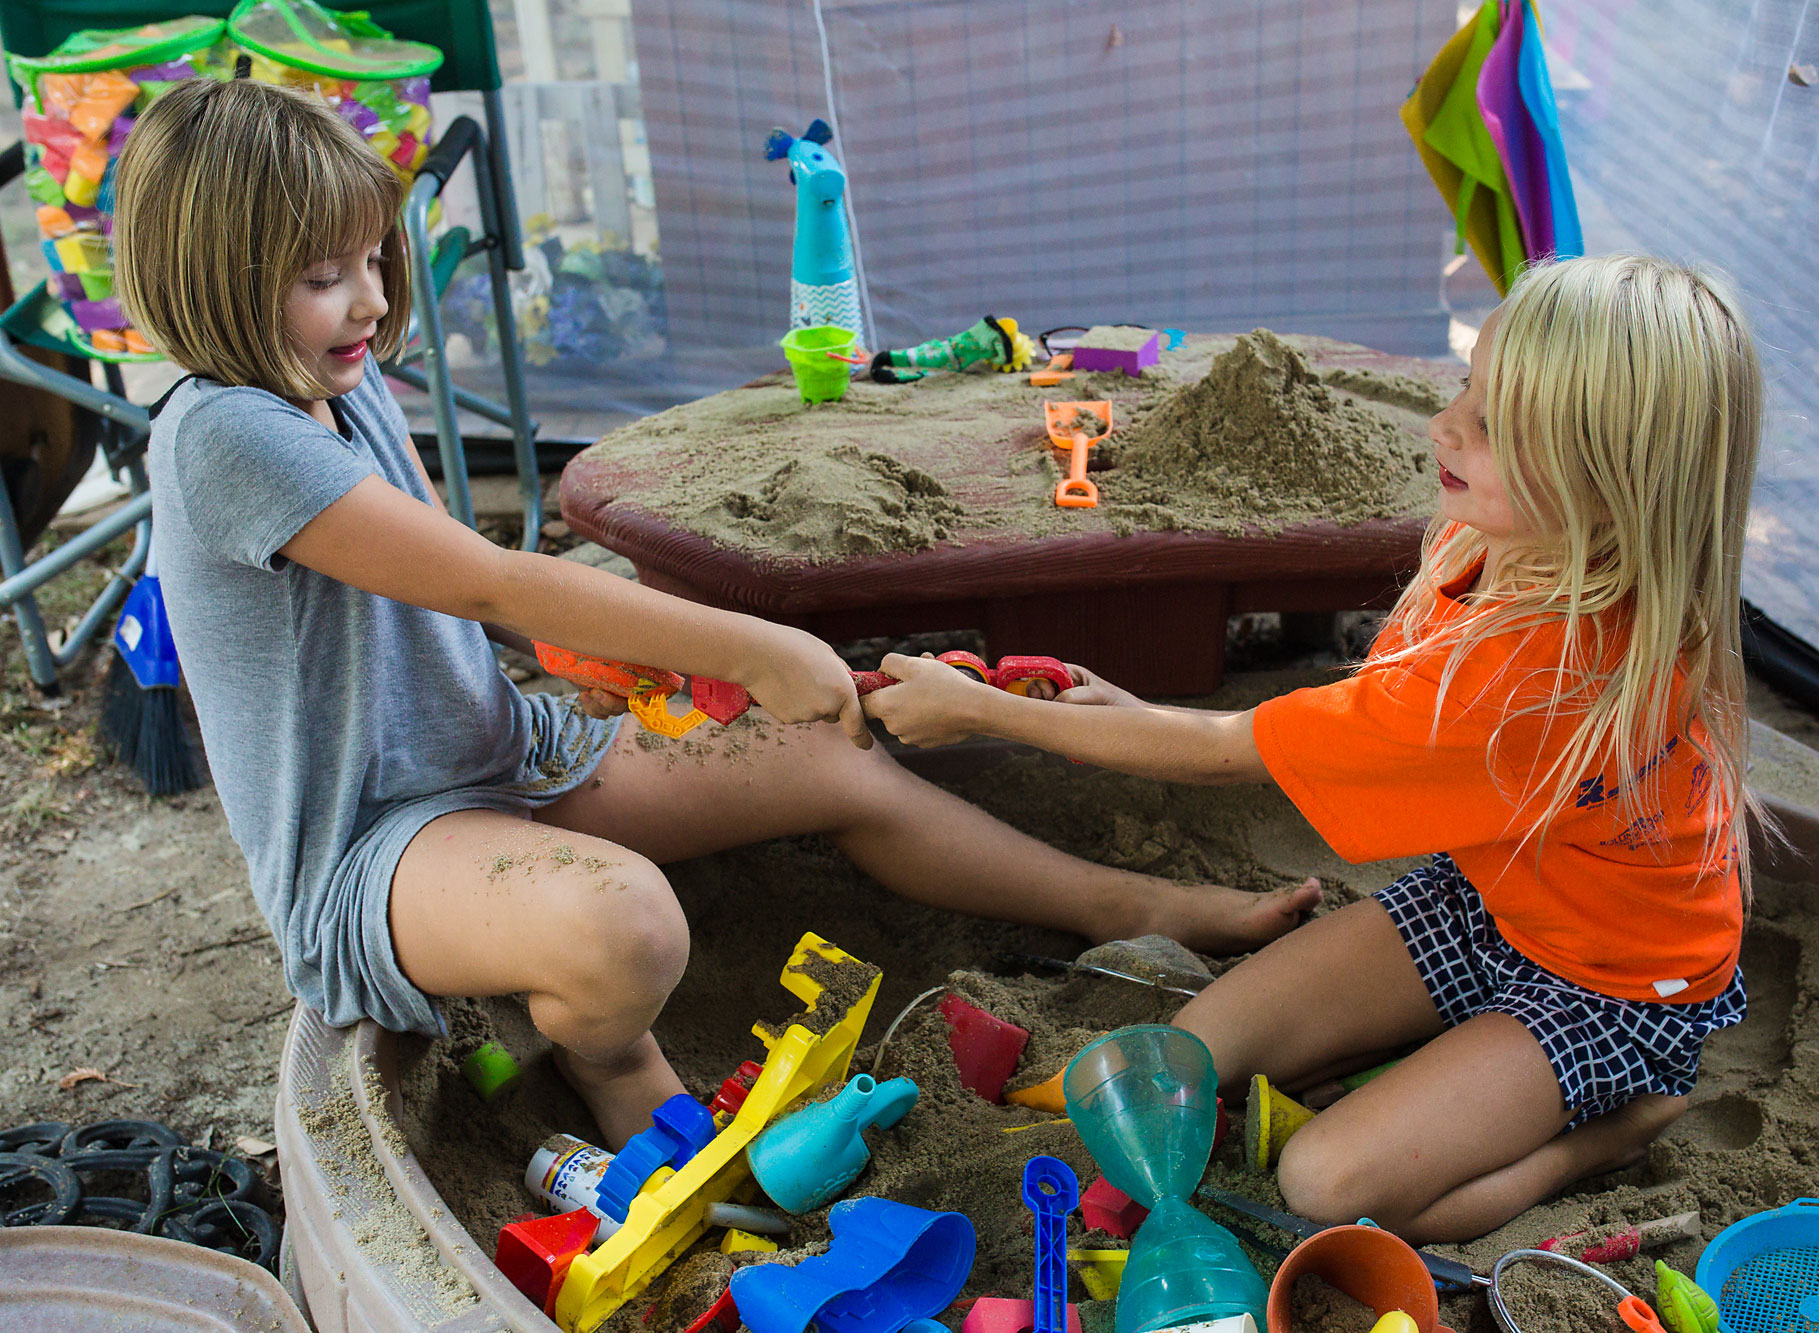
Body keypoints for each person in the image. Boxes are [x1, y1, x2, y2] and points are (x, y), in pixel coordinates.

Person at [114, 78, 1320, 1147]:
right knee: (627, 927)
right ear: (213, 279)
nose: (370, 299)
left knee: (819, 748)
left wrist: (623, 670)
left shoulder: (342, 378)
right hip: (374, 849)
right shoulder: (225, 433)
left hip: (499, 756)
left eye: (375, 260)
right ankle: (608, 1056)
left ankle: (1136, 909)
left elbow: (464, 583)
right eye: (325, 278)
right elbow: (491, 581)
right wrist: (754, 643)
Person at [866, 254, 1761, 1241]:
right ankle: (1450, 1074)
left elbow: (1225, 750)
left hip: (1614, 989)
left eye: (1497, 424)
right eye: (1469, 387)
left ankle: (1601, 1135)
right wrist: (1123, 707)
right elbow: (1348, 713)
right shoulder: (1509, 544)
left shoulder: (1547, 673)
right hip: (1492, 898)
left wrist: (985, 712)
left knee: (1326, 1183)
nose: (1444, 425)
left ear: (1611, 477)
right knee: (1197, 1048)